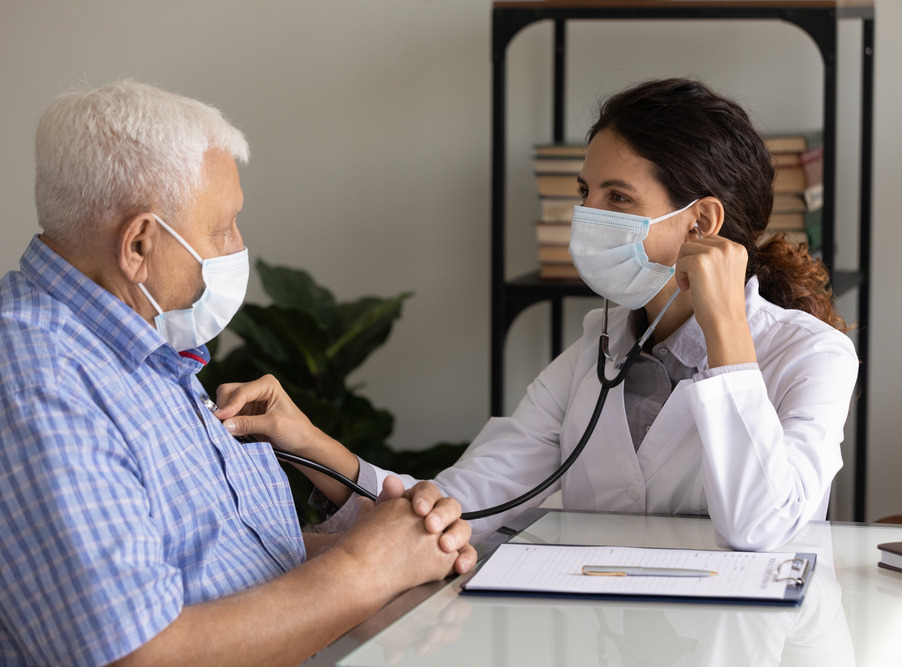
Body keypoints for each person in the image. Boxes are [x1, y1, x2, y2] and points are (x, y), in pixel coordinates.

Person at [215, 78, 859, 552]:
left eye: (617, 196)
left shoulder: (811, 358)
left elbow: (763, 527)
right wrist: (306, 442)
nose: (587, 217)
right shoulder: (594, 353)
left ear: (702, 222)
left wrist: (727, 334)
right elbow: (454, 509)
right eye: (586, 193)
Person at [0, 81, 476, 667]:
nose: (237, 247)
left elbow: (203, 554)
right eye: (223, 227)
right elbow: (140, 654)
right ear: (139, 244)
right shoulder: (37, 383)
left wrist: (399, 546)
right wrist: (366, 569)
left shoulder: (134, 339)